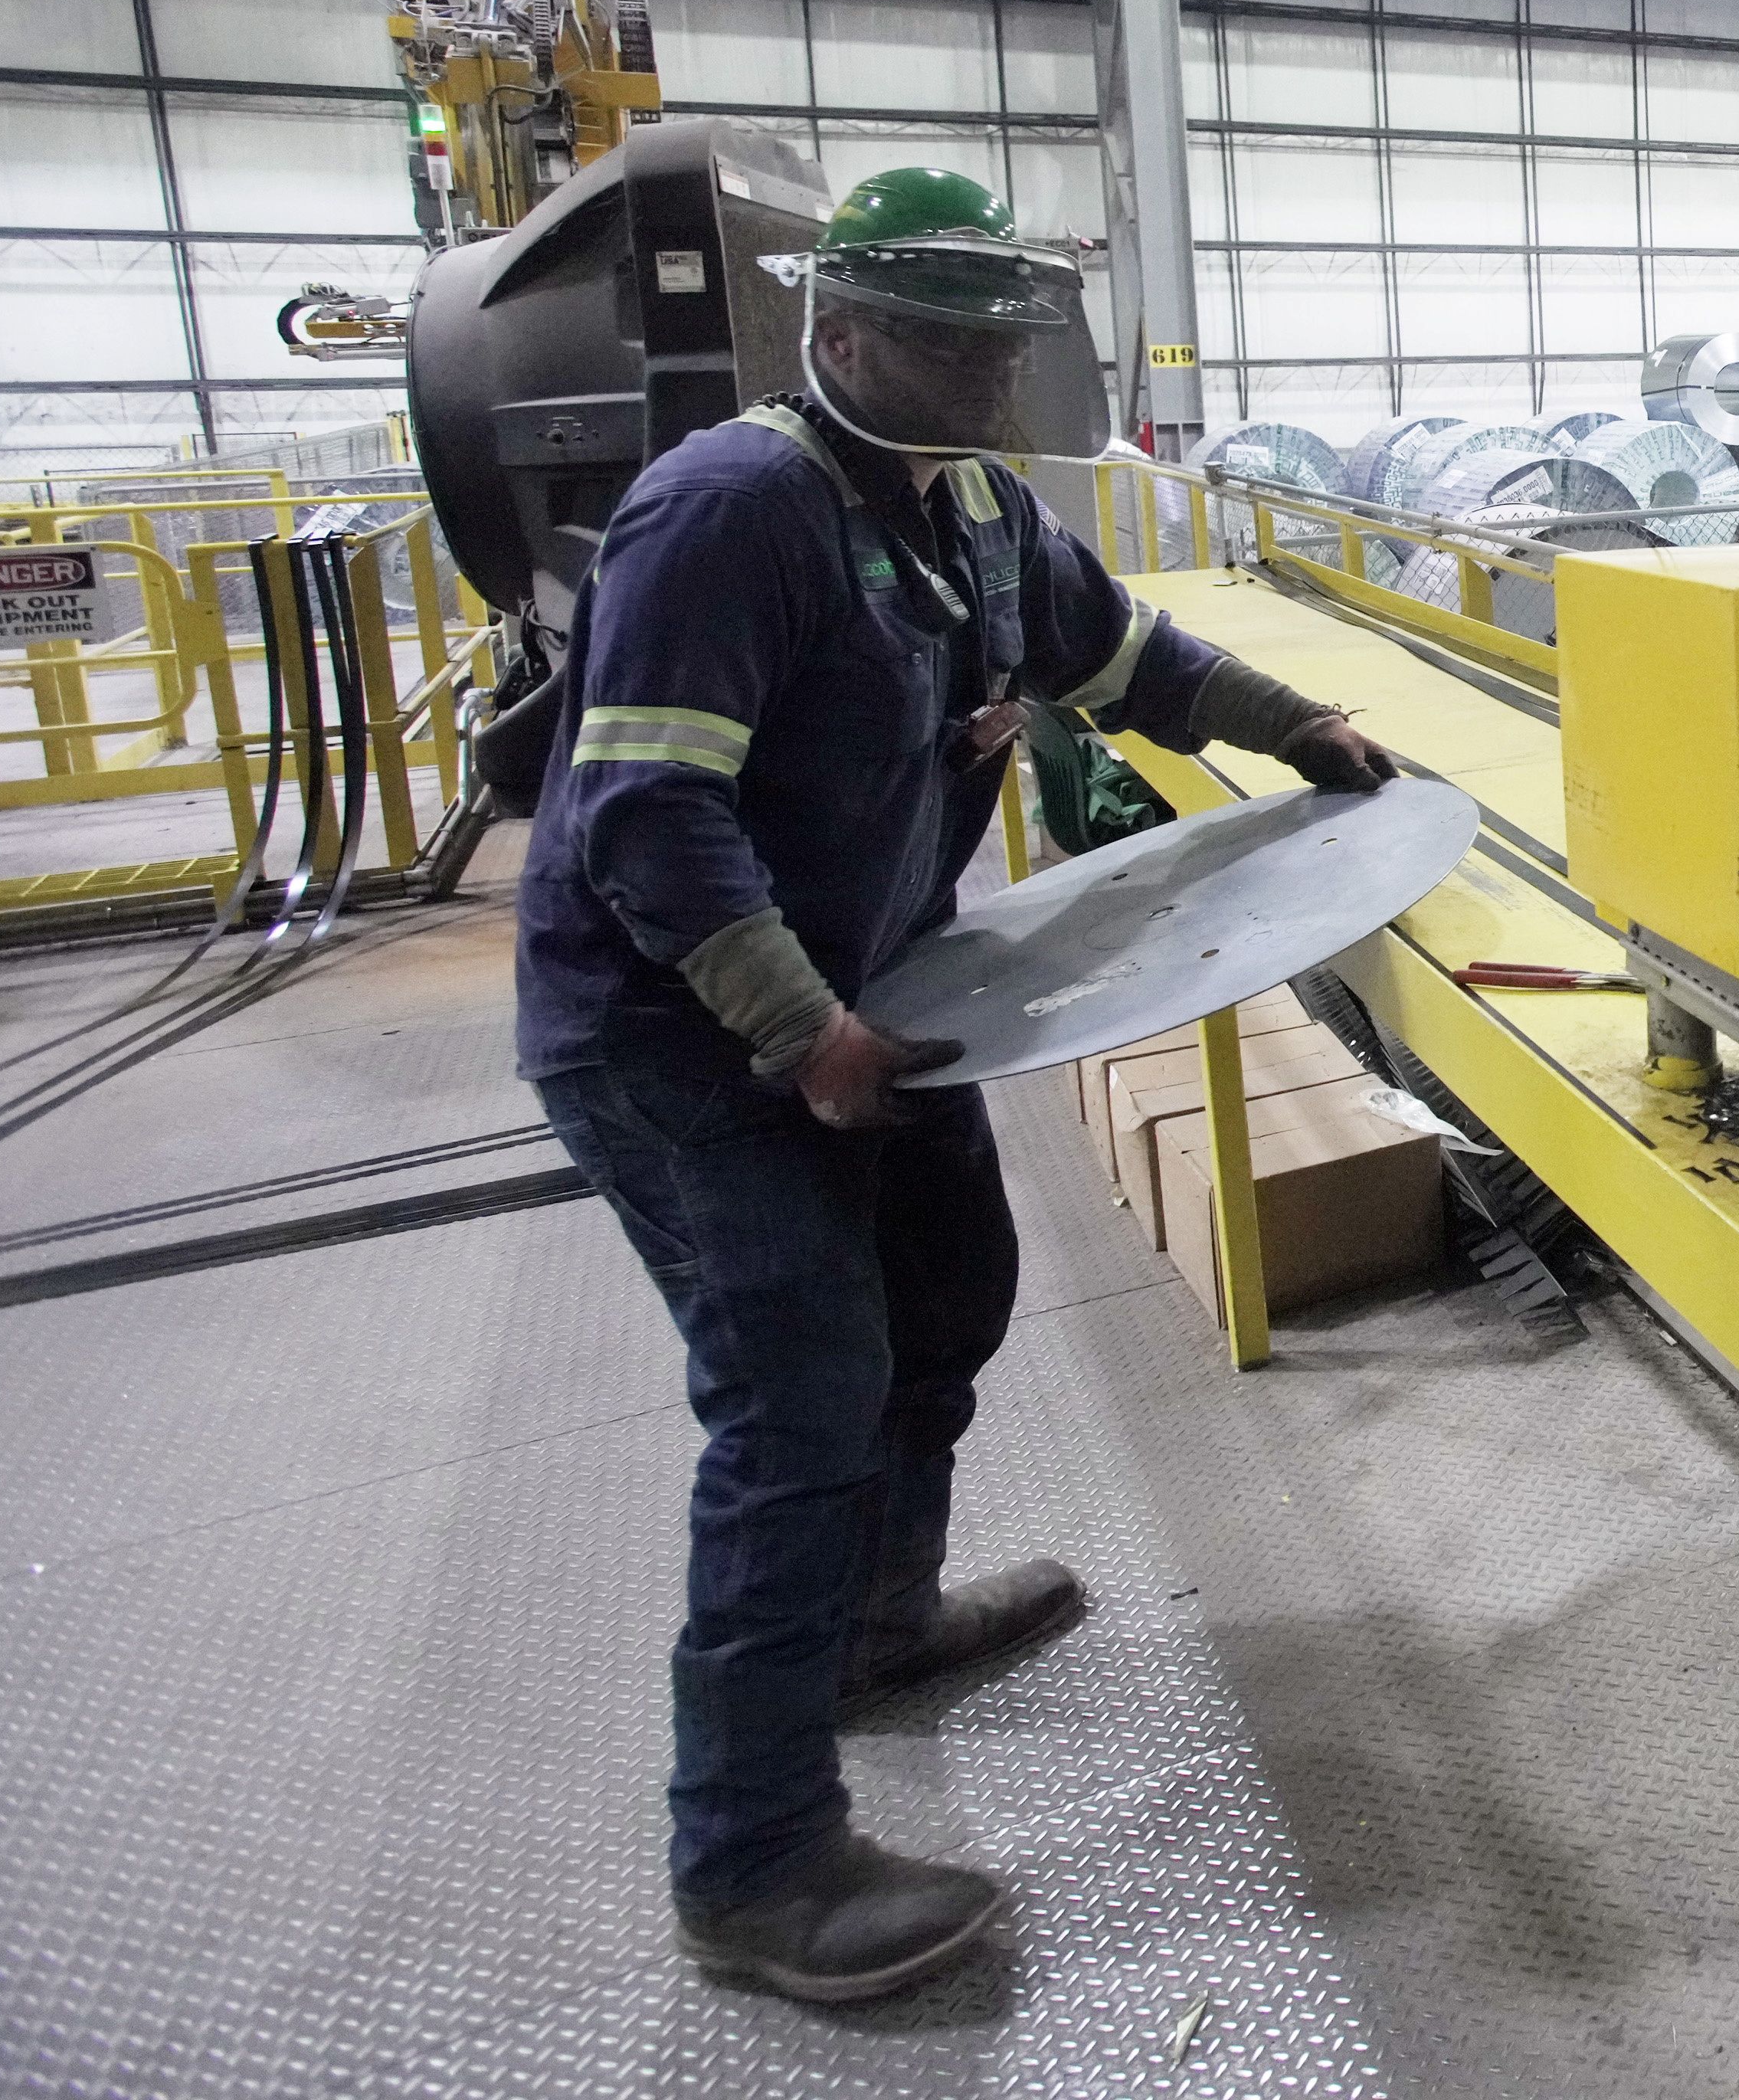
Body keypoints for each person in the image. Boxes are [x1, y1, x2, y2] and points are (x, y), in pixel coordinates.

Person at [516, 165, 1390, 2003]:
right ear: (838, 337)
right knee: (799, 1400)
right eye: (947, 341)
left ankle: (877, 1626)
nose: (990, 375)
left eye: (1004, 340)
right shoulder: (730, 513)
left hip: (880, 991)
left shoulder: (977, 510)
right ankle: (748, 1867)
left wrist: (1295, 727)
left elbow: (1125, 656)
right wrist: (795, 1030)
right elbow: (645, 812)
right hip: (684, 1033)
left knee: (945, 1304)